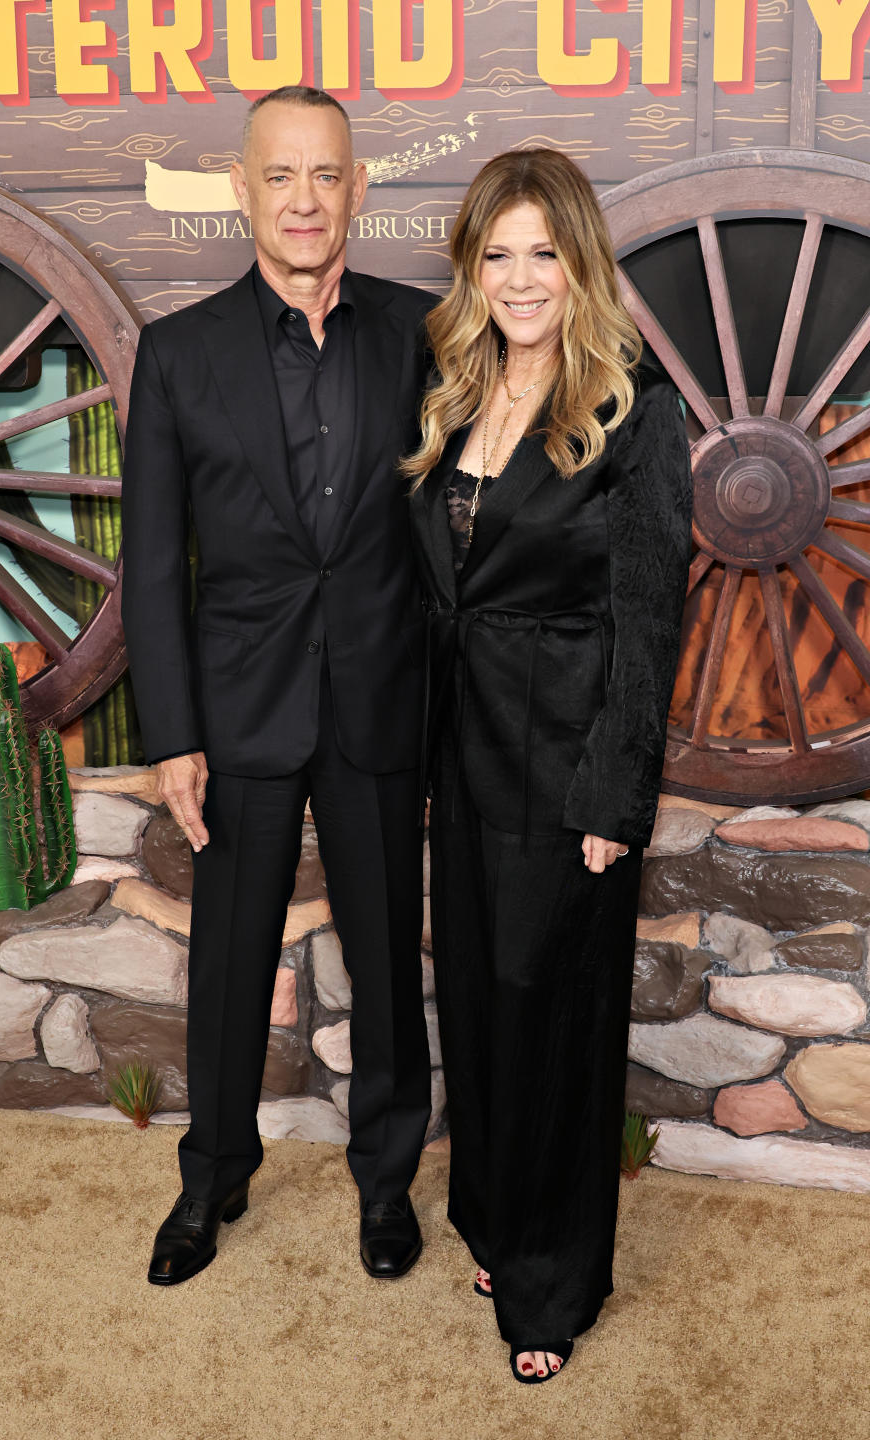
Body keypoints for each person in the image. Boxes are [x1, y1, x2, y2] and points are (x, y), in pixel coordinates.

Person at [121, 85, 433, 1288]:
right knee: (229, 964)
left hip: (378, 700)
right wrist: (173, 732)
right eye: (280, 175)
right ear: (243, 190)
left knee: (388, 971)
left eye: (327, 175)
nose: (305, 199)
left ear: (358, 189)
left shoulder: (425, 334)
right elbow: (154, 561)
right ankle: (213, 1180)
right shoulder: (179, 351)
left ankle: (388, 1183)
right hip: (238, 709)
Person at [405, 149, 692, 1383]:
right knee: (472, 997)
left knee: (554, 1015)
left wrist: (616, 791)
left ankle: (550, 1285)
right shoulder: (455, 385)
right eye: (497, 254)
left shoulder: (634, 406)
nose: (521, 279)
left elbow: (649, 611)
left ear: (581, 260)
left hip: (567, 753)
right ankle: (492, 1217)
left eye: (544, 252)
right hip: (459, 749)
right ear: (473, 268)